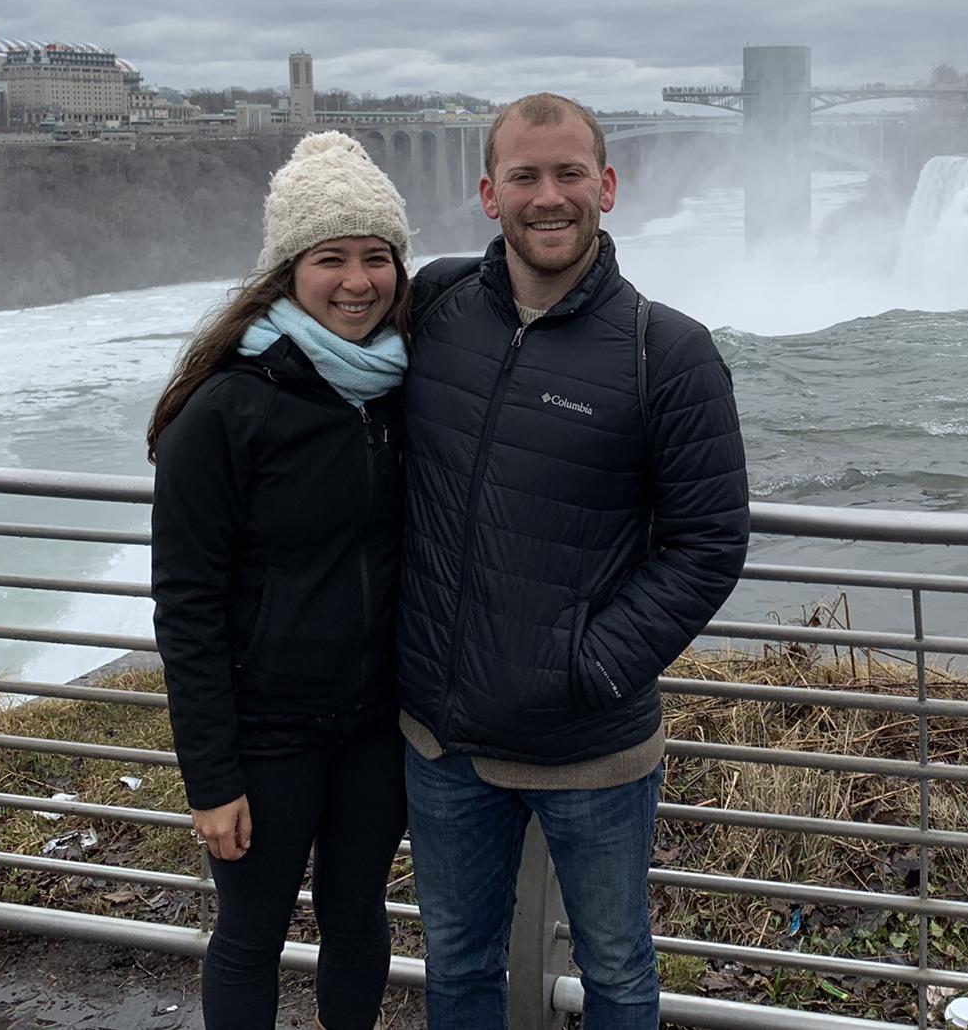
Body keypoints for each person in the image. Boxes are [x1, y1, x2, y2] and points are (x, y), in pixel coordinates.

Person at [398, 92, 751, 1029]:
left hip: (590, 747)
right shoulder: (433, 307)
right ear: (487, 193)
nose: (546, 196)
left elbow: (709, 542)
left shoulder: (665, 352)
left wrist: (588, 666)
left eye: (567, 174)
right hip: (443, 740)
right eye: (524, 175)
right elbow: (320, 340)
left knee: (619, 976)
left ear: (606, 186)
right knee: (456, 967)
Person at [149, 130, 413, 1030]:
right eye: (330, 258)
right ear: (285, 272)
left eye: (377, 257)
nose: (356, 281)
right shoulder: (226, 411)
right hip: (265, 738)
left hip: (377, 727)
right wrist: (210, 776)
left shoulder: (402, 390)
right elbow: (186, 605)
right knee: (252, 932)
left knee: (358, 919)